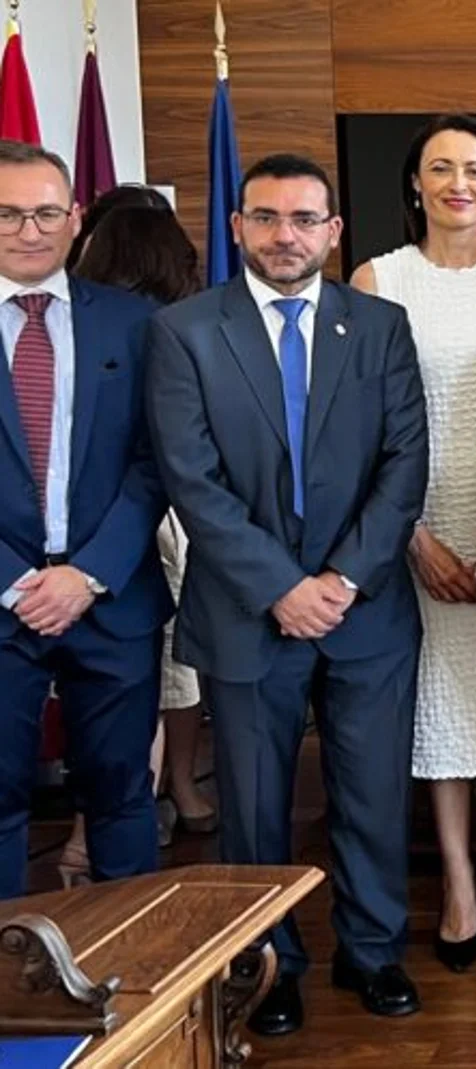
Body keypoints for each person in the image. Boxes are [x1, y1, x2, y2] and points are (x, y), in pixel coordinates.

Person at [145, 153, 429, 1032]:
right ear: (235, 227)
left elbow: (406, 464)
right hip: (244, 611)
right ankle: (270, 962)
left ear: (334, 232)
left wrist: (340, 578)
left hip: (365, 609)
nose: (285, 235)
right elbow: (189, 478)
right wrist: (282, 587)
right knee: (257, 806)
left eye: (305, 219)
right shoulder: (187, 331)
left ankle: (374, 951)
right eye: (265, 217)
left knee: (374, 794)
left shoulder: (379, 325)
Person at [350, 114, 476, 973]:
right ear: (416, 184)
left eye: (475, 167)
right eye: (441, 168)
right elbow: (353, 429)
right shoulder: (377, 278)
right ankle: (459, 882)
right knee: (441, 708)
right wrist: (411, 534)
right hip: (413, 520)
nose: (459, 182)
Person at [0, 141, 167, 899]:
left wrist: (88, 573)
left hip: (112, 596)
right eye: (7, 213)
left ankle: (134, 985)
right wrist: (19, 583)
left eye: (43, 212)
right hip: (2, 600)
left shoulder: (137, 325)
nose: (27, 231)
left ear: (74, 220)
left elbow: (156, 462)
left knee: (123, 797)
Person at [69, 201, 214, 873]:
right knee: (167, 672)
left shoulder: (113, 323)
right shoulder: (172, 325)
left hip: (114, 528)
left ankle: (139, 803)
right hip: (156, 524)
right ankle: (178, 786)